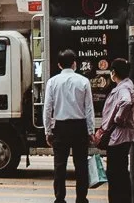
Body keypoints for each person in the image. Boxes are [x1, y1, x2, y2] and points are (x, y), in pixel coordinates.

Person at [44, 48, 97, 203]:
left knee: (59, 166)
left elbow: (47, 108)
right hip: (79, 127)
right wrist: (90, 130)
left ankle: (60, 198)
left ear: (59, 65)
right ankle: (81, 198)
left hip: (60, 127)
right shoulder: (83, 81)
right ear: (74, 64)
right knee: (81, 165)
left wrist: (48, 130)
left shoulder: (52, 82)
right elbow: (89, 108)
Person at [95, 58, 134, 203]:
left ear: (113, 72)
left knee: (115, 174)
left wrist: (119, 118)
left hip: (118, 138)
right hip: (121, 137)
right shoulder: (127, 85)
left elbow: (126, 102)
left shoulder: (123, 88)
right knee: (120, 173)